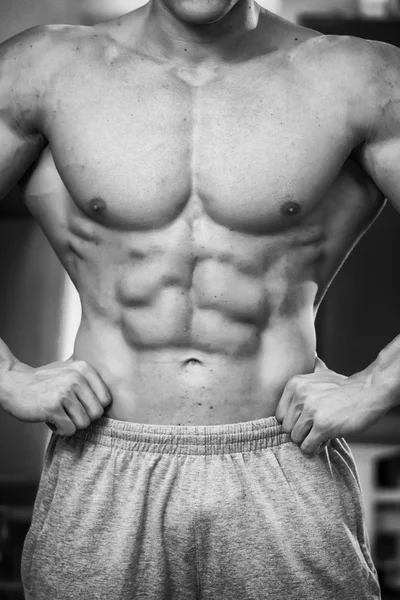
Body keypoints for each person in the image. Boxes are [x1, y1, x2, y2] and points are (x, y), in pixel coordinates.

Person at [0, 0, 399, 597]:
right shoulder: (42, 69)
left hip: (284, 460)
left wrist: (380, 385)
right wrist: (7, 379)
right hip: (103, 463)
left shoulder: (359, 78)